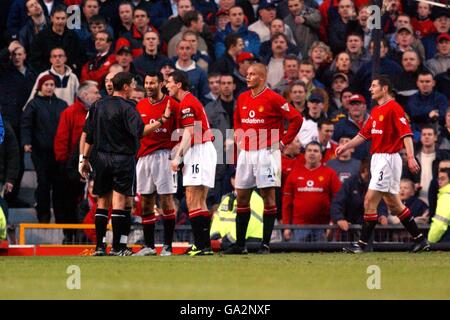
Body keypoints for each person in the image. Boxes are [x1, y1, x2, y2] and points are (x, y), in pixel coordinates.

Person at [80, 72, 171, 256]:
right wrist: (162, 119)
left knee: (102, 202)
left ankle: (100, 247)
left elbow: (89, 136)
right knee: (121, 202)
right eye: (133, 83)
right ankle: (119, 246)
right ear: (126, 87)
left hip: (101, 158)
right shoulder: (129, 106)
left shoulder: (97, 105)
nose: (135, 87)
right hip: (122, 158)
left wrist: (85, 159)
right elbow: (140, 131)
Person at [336, 75, 430, 253]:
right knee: (394, 204)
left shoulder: (394, 108)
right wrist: (346, 146)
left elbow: (406, 133)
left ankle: (362, 245)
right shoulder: (377, 110)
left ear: (384, 89)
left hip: (388, 159)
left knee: (369, 199)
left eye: (374, 86)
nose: (370, 89)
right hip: (378, 159)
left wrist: (410, 156)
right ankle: (420, 239)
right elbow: (364, 134)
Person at [225, 63, 303, 254]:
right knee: (241, 195)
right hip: (247, 152)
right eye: (248, 74)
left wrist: (283, 142)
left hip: (267, 153)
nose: (247, 77)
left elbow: (296, 119)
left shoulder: (274, 98)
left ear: (261, 77)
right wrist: (238, 133)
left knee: (268, 198)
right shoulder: (242, 97)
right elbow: (237, 118)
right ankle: (240, 245)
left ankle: (265, 244)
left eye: (252, 74)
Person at [166, 70, 217, 256]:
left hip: (199, 150)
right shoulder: (191, 101)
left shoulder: (186, 103)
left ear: (179, 84)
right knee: (200, 200)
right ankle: (205, 246)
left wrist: (178, 156)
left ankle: (200, 246)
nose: (166, 85)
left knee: (192, 199)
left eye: (169, 82)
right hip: (205, 149)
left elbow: (189, 132)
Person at [133, 72, 180, 256]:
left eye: (152, 82)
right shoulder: (140, 105)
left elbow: (181, 131)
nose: (149, 86)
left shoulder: (172, 104)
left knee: (166, 200)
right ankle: (149, 246)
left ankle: (168, 246)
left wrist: (177, 155)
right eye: (146, 82)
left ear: (161, 84)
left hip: (164, 155)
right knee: (146, 202)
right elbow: (139, 132)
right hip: (144, 157)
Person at [54, 80, 101, 242]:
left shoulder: (98, 111)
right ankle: (70, 235)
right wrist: (65, 166)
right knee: (70, 203)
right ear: (85, 95)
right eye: (96, 93)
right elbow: (62, 139)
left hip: (94, 163)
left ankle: (88, 236)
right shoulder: (70, 112)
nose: (99, 95)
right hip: (72, 166)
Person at [21, 74, 68, 223]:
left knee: (59, 185)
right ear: (40, 86)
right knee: (43, 183)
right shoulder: (33, 104)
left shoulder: (62, 104)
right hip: (40, 152)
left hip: (59, 152)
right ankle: (43, 216)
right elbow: (26, 124)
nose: (49, 87)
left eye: (52, 85)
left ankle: (60, 218)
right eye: (46, 85)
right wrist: (26, 142)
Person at [283, 141, 341, 242]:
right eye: (309, 150)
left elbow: (337, 201)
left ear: (320, 155)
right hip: (299, 227)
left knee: (324, 256)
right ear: (304, 154)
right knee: (297, 256)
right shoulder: (294, 174)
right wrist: (286, 226)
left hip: (323, 227)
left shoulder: (330, 174)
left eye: (315, 151)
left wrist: (332, 224)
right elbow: (287, 203)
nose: (312, 153)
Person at [330, 158, 388, 241]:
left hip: (371, 227)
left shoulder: (376, 183)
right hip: (350, 227)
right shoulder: (350, 183)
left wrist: (382, 215)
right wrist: (339, 219)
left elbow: (381, 203)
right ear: (365, 171)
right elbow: (337, 202)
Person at [428, 168, 450, 243]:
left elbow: (440, 224)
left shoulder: (446, 197)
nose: (439, 182)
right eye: (439, 179)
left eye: (443, 179)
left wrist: (430, 241)